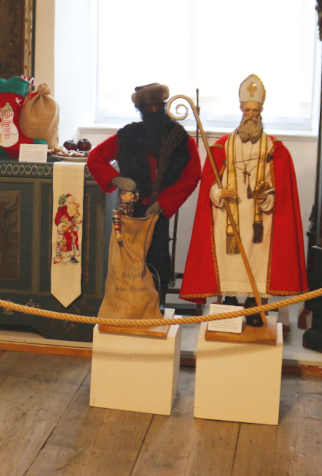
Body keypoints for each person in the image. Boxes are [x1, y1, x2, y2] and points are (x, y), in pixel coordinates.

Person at [179, 74, 307, 319]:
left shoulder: (274, 148)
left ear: (261, 111)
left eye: (255, 111)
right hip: (227, 215)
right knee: (229, 259)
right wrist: (219, 193)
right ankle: (229, 301)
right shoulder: (222, 146)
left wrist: (266, 198)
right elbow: (210, 185)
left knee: (256, 260)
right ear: (240, 109)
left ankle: (253, 304)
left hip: (260, 220)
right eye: (247, 110)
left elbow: (279, 187)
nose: (251, 115)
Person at [87, 83, 201, 292]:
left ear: (163, 104)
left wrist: (164, 203)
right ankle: (129, 300)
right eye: (148, 107)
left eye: (157, 105)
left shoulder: (180, 138)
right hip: (131, 208)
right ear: (140, 110)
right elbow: (95, 158)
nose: (154, 110)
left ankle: (157, 300)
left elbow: (192, 175)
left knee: (158, 257)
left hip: (158, 210)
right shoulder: (128, 134)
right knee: (129, 258)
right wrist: (117, 180)